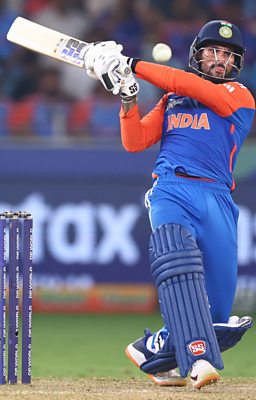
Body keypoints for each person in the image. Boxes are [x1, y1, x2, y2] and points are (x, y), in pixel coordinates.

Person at [83, 20, 254, 389]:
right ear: (198, 54)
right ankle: (198, 359)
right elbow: (135, 141)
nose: (220, 60)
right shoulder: (172, 100)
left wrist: (131, 64)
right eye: (213, 51)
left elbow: (187, 84)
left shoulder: (239, 96)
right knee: (179, 264)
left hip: (218, 197)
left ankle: (154, 348)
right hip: (171, 189)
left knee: (218, 312)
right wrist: (129, 97)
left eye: (228, 55)